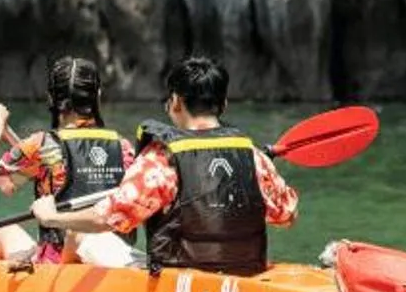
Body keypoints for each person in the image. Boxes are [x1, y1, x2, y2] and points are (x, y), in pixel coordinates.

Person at [33, 55, 299, 274]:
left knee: (83, 236)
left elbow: (109, 217)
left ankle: (53, 283)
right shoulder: (254, 158)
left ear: (176, 103)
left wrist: (51, 217)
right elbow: (287, 215)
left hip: (178, 282)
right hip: (246, 273)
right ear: (224, 105)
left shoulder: (160, 161)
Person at [0, 57, 136, 267]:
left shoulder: (41, 145)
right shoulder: (124, 148)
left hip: (58, 263)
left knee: (6, 232)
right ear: (97, 96)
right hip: (111, 257)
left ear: (51, 99)